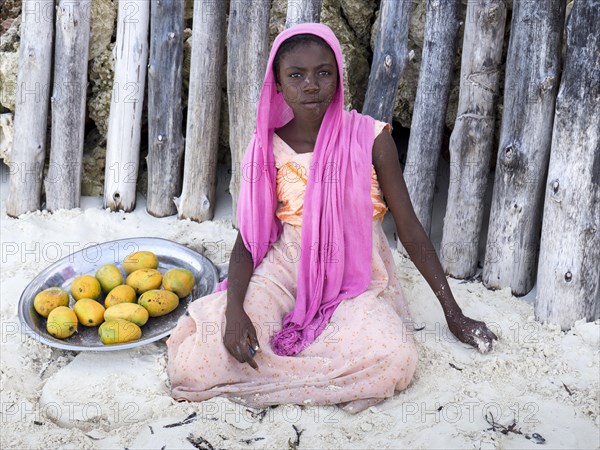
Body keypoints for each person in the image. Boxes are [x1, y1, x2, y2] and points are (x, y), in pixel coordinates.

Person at [166, 23, 497, 414]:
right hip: (285, 269)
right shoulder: (266, 146)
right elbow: (249, 239)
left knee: (396, 356)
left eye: (323, 72)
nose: (311, 85)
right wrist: (236, 311)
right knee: (198, 357)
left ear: (338, 75)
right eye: (296, 75)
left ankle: (282, 376)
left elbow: (409, 229)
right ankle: (316, 375)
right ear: (278, 83)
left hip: (355, 276)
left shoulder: (371, 137)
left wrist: (453, 313)